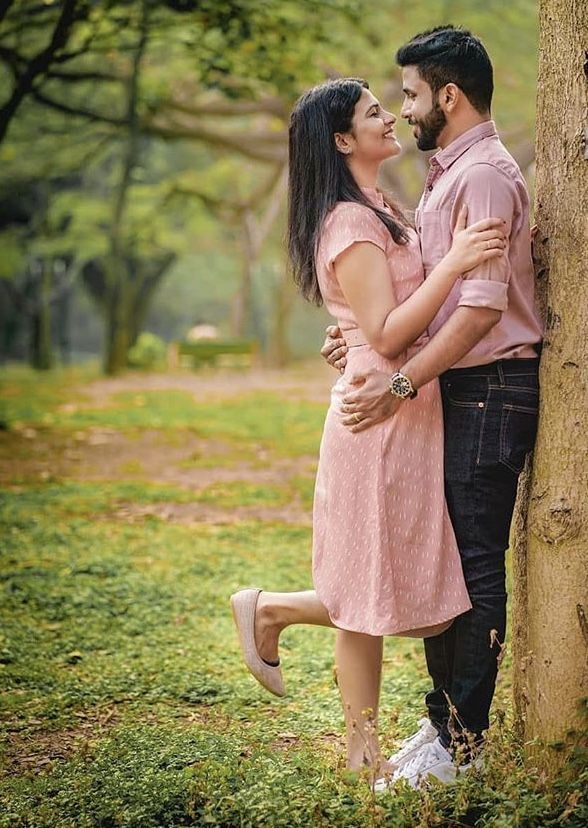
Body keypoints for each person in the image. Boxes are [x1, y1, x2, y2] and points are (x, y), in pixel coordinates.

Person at [231, 74, 507, 784]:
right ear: (343, 140)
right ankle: (353, 740)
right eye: (373, 113)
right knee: (372, 581)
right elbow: (385, 334)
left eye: (388, 105)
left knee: (375, 579)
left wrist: (355, 330)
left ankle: (283, 624)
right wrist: (454, 263)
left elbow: (372, 318)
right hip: (378, 415)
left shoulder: (379, 207)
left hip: (404, 408)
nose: (391, 118)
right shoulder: (351, 222)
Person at [321, 26, 542, 788]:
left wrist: (402, 381)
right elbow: (415, 294)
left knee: (475, 570)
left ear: (447, 95)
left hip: (487, 390)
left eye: (410, 95)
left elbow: (479, 313)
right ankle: (444, 724)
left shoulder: (480, 177)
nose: (404, 110)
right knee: (451, 566)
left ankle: (462, 748)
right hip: (458, 390)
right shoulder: (445, 174)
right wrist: (356, 334)